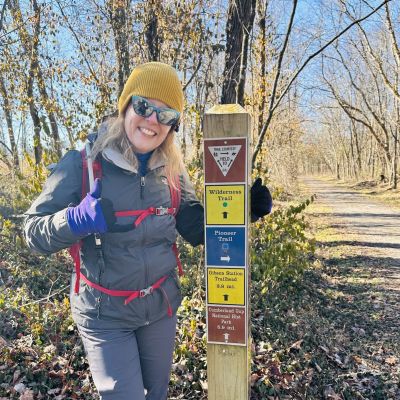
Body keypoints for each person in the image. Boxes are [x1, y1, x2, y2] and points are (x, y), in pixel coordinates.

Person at [23, 62, 272, 400]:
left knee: (155, 393)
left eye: (166, 114)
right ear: (126, 105)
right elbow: (32, 231)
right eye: (144, 106)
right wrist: (75, 219)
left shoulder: (171, 170)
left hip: (159, 307)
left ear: (173, 124)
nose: (153, 120)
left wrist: (240, 211)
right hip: (104, 313)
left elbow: (194, 226)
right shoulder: (83, 163)